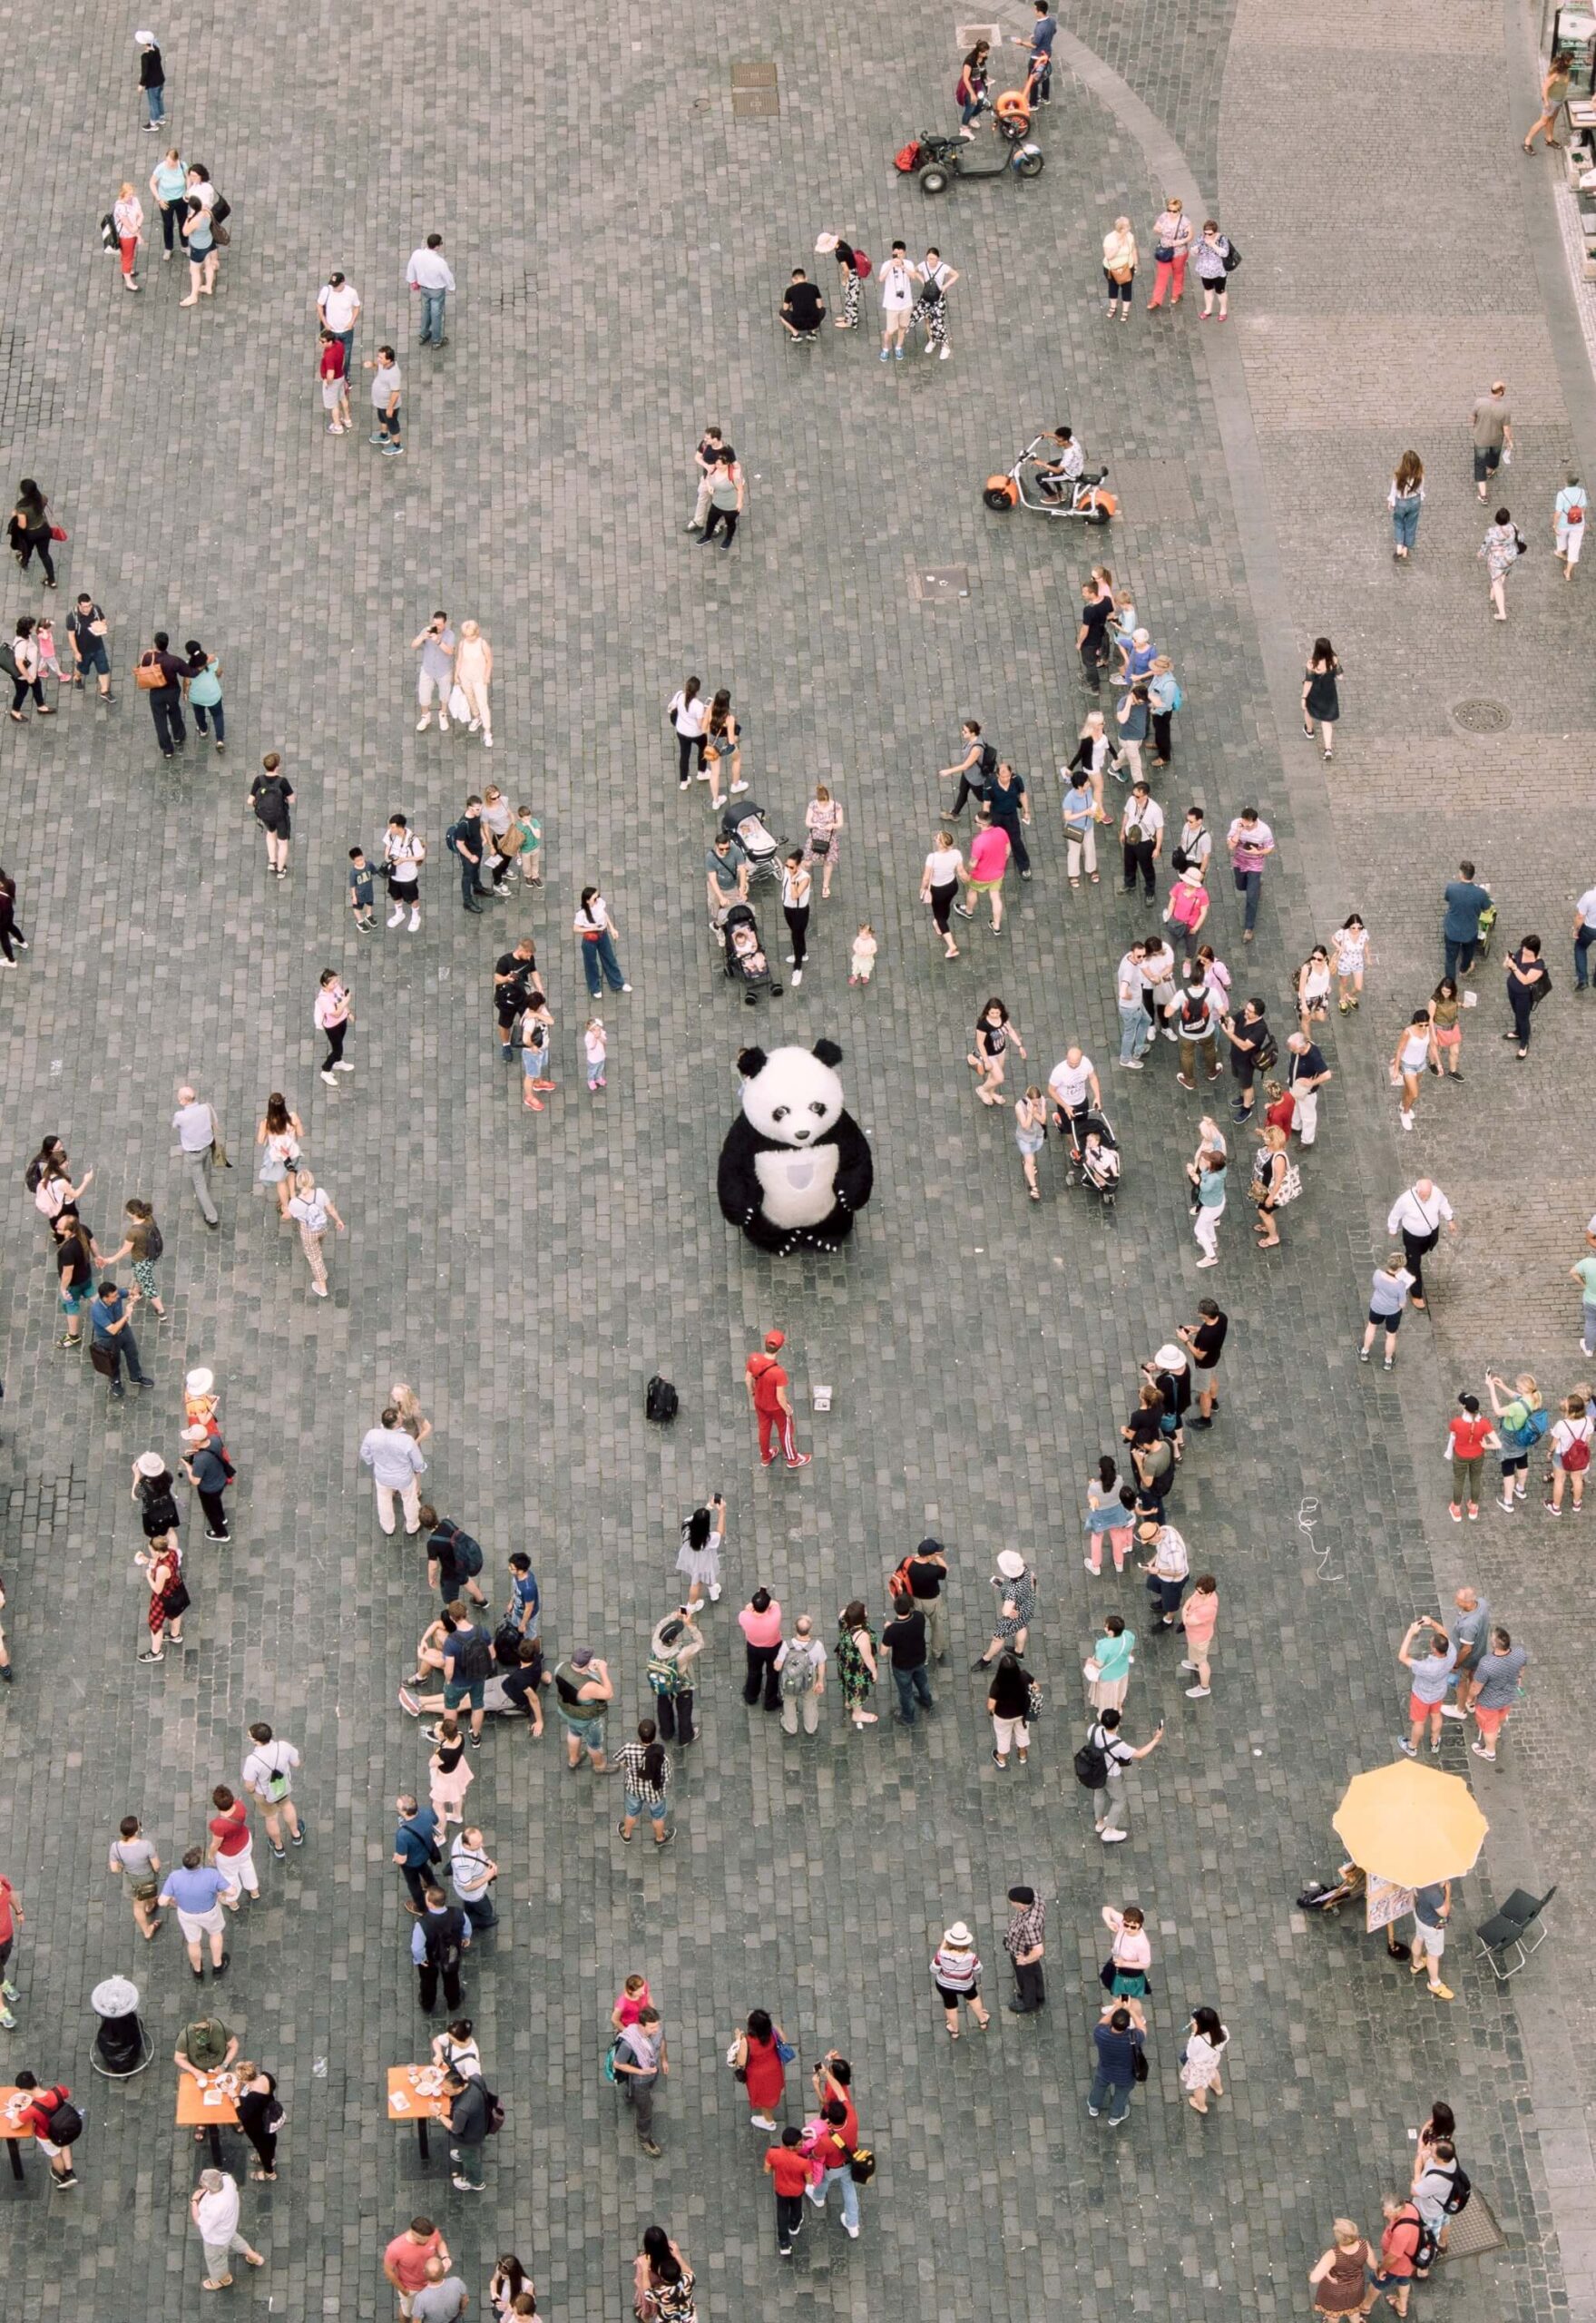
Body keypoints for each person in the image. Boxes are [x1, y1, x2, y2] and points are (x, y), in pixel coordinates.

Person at [1087, 1706, 1162, 1841]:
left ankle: (1099, 1823)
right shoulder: (1118, 1745)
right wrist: (1156, 1739)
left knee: (1099, 1794)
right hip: (1111, 1775)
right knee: (1119, 1800)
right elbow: (1140, 1754)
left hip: (1096, 1769)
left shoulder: (1093, 1730)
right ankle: (1109, 1830)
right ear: (1117, 1724)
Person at [160, 1847, 231, 1978]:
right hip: (210, 1912)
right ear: (199, 1863)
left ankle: (198, 1970)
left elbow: (161, 1901)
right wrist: (221, 1894)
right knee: (215, 1934)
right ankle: (217, 1966)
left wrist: (172, 1901)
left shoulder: (174, 1877)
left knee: (193, 1942)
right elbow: (232, 1891)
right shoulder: (211, 1874)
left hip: (187, 1915)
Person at [745, 1329, 810, 1468]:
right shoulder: (778, 1372)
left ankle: (765, 1457)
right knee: (784, 1430)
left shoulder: (754, 1358)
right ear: (780, 1348)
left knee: (764, 1428)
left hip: (760, 1403)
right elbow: (780, 1397)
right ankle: (792, 1459)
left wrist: (753, 1393)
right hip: (776, 1407)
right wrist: (787, 1410)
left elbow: (747, 1379)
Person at [360, 1406, 427, 1535]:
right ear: (397, 1424)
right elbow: (418, 1462)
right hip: (404, 1479)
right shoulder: (407, 1440)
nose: (402, 1417)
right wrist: (418, 1470)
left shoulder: (372, 1435)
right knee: (409, 1500)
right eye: (400, 1416)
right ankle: (412, 1526)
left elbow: (365, 1453)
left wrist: (374, 1462)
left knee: (383, 1499)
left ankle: (388, 1527)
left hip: (382, 1477)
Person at [191, 2170, 263, 2289]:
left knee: (215, 2260)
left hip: (216, 2239)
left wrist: (194, 2201)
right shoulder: (227, 2180)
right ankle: (254, 2257)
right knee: (233, 2239)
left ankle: (222, 2279)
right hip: (228, 2227)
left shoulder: (216, 2207)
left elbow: (199, 2222)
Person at [242, 1722, 304, 1860]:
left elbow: (250, 1785)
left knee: (271, 1818)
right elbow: (296, 1763)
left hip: (265, 1794)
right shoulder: (283, 1746)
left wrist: (252, 1793)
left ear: (256, 1741)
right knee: (287, 1806)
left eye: (249, 1736)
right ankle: (296, 1834)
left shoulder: (252, 1760)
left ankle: (279, 1847)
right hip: (282, 1787)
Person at [1398, 1616, 1456, 1758]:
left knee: (1419, 1722)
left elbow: (1402, 1657)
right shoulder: (1452, 1652)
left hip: (1422, 1696)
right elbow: (1444, 1633)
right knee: (1436, 1716)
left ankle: (1412, 1747)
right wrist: (1432, 1623)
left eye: (1431, 1643)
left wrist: (1410, 1633)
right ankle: (1435, 1742)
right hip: (1439, 1693)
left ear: (1435, 1649)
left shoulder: (1427, 1667)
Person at [1469, 1625, 1528, 1760]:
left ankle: (1490, 1752)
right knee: (1500, 1717)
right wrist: (1519, 1680)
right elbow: (1521, 1670)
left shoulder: (1487, 1664)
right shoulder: (1520, 1653)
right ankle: (1497, 1730)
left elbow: (1476, 1688)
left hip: (1489, 1702)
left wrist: (1469, 1699)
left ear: (1494, 1644)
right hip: (1508, 1696)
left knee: (1488, 1727)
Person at [614, 2004, 667, 2156]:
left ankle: (630, 2096)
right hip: (640, 2079)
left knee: (639, 2092)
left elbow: (661, 2042)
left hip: (652, 2071)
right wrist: (641, 2071)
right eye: (652, 2027)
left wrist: (663, 2060)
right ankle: (645, 2138)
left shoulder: (657, 2029)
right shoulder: (629, 2043)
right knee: (645, 2111)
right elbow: (618, 2064)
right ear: (641, 2026)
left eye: (657, 2025)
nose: (656, 2030)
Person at [552, 1647, 612, 1770]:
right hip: (585, 1719)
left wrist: (588, 1671)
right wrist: (602, 1671)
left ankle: (573, 1760)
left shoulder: (560, 1667)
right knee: (594, 1745)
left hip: (566, 1710)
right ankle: (599, 1766)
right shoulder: (588, 1686)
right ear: (587, 1664)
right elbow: (608, 1694)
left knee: (574, 1732)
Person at [730, 2006, 788, 2132]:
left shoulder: (747, 2041)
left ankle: (769, 2121)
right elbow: (784, 2039)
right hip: (774, 2069)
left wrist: (738, 2040)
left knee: (763, 2099)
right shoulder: (771, 2032)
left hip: (758, 2076)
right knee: (771, 2092)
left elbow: (740, 2062)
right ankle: (769, 2111)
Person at [616, 1720, 672, 1846]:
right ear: (654, 1736)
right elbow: (667, 1777)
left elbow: (621, 1761)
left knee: (631, 1812)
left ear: (639, 1735)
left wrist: (629, 1766)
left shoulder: (629, 1748)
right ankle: (660, 1838)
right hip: (655, 1793)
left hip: (634, 1789)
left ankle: (626, 1834)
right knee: (658, 1816)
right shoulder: (662, 1757)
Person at [930, 1921, 990, 2036]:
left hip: (944, 1985)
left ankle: (954, 2030)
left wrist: (941, 1949)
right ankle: (983, 2020)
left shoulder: (941, 1955)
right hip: (966, 1985)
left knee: (950, 2006)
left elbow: (934, 1969)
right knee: (974, 1999)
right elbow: (979, 1969)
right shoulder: (971, 1957)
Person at [109, 1814, 163, 1941]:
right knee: (143, 1899)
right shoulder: (146, 1845)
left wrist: (124, 1867)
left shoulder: (115, 1847)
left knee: (138, 1903)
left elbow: (114, 1869)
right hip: (146, 1878)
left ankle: (149, 1905)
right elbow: (156, 1866)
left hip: (130, 1880)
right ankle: (147, 1930)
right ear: (136, 1830)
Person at [1088, 2006, 1143, 2125]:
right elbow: (1142, 2028)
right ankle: (1115, 2116)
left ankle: (1094, 2106)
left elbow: (1102, 2022)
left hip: (1104, 2070)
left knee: (1099, 2087)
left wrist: (1116, 2007)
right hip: (1125, 2075)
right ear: (1128, 2025)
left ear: (1112, 2021)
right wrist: (1131, 2011)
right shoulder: (1133, 2039)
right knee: (1121, 2095)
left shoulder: (1100, 2034)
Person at [384, 2220, 449, 2320]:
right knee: (407, 2313)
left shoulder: (432, 2233)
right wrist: (403, 2290)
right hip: (411, 2288)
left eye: (429, 2239)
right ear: (414, 2234)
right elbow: (388, 2271)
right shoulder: (395, 2248)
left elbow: (440, 2243)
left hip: (433, 2282)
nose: (427, 2242)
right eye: (423, 2240)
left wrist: (445, 2257)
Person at [1226, 808, 1274, 942]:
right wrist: (1238, 832)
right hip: (1239, 862)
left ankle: (1249, 928)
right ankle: (1256, 885)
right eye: (1243, 822)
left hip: (1255, 865)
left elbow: (1270, 848)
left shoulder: (1264, 831)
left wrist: (1257, 852)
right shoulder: (1237, 824)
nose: (1245, 825)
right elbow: (1230, 846)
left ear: (1254, 821)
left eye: (1248, 824)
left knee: (1251, 897)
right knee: (1240, 886)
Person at [1308, 2220, 1373, 2317]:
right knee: (1354, 2309)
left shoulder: (1333, 2255)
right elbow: (1373, 2265)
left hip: (1335, 2289)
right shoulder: (1364, 2245)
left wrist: (1322, 2270)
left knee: (1334, 2313)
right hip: (1356, 2286)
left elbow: (1314, 2278)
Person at [775, 1614, 827, 1735]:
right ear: (810, 1629)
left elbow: (778, 1666)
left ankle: (791, 1727)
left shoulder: (786, 1645)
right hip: (809, 1678)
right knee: (810, 1701)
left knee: (789, 1701)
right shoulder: (817, 1645)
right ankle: (810, 1727)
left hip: (790, 1679)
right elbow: (821, 1664)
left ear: (795, 1628)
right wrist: (819, 1681)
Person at [766, 2125, 811, 2258]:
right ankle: (794, 2225)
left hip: (781, 2188)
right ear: (791, 2147)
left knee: (781, 2212)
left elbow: (767, 2170)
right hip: (797, 2190)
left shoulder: (772, 2153)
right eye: (799, 2144)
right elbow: (809, 2181)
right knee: (797, 2207)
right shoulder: (804, 2162)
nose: (802, 2145)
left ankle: (784, 2243)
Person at [738, 1587, 784, 1710]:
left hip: (753, 1647)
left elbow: (746, 1611)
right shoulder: (775, 1616)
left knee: (753, 1671)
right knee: (773, 1674)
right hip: (773, 1648)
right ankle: (770, 1702)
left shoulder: (744, 1617)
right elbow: (775, 1604)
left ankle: (751, 1696)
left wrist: (750, 1607)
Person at [443, 2068, 488, 2192]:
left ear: (459, 2089)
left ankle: (476, 2182)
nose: (443, 2091)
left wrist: (438, 2114)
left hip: (470, 2137)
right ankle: (462, 2154)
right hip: (481, 2121)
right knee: (466, 2153)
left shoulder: (461, 2109)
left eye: (447, 2090)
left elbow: (455, 2128)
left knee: (470, 2160)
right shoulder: (475, 2079)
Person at [1503, 932, 1549, 1055]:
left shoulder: (1538, 965)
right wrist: (1508, 961)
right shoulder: (1521, 952)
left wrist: (1514, 967)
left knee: (1523, 1018)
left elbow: (1525, 980)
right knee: (1516, 1013)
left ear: (1534, 950)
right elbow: (1510, 965)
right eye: (1523, 947)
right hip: (1512, 989)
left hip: (1523, 995)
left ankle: (1524, 1042)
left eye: (1527, 949)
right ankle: (1518, 1032)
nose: (1523, 950)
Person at [1408, 1880, 1454, 2002]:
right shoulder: (1433, 1893)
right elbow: (1444, 1912)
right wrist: (1448, 1891)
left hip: (1420, 1915)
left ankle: (1416, 1964)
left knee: (1419, 1938)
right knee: (1433, 1955)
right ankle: (1434, 1984)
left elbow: (1416, 1894)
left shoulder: (1419, 1877)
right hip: (1432, 1926)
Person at [406, 232, 455, 347]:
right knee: (436, 314)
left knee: (426, 310)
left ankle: (424, 334)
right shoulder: (440, 262)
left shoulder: (417, 254)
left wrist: (413, 280)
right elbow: (447, 276)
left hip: (424, 288)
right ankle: (437, 340)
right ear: (437, 246)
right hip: (437, 291)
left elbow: (411, 267)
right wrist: (451, 287)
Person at [836, 1600, 879, 1728]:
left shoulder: (843, 1616)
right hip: (856, 1668)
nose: (866, 1612)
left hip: (845, 1661)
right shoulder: (862, 1637)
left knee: (848, 1683)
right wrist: (874, 1671)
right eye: (864, 1611)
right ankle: (857, 1714)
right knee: (857, 1689)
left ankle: (849, 1701)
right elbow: (867, 1658)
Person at [1146, 193, 1193, 309]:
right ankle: (1156, 300)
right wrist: (1160, 230)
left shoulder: (1185, 222)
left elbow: (1190, 236)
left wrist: (1180, 242)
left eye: (1174, 211)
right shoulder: (1164, 216)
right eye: (1169, 210)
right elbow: (1155, 228)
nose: (1171, 213)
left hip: (1179, 252)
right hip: (1165, 250)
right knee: (1162, 275)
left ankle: (1176, 293)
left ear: (1179, 210)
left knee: (1178, 273)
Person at [235, 2062, 280, 2181]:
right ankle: (269, 2158)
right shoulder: (266, 2076)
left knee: (262, 2147)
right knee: (269, 2143)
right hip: (268, 2118)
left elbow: (242, 2114)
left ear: (244, 2079)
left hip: (258, 2126)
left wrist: (235, 2097)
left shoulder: (252, 2097)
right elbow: (273, 2087)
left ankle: (269, 2173)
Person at [1180, 2006, 1228, 2112]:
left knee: (1199, 2086)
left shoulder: (1198, 2040)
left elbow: (1190, 2053)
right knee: (1213, 2072)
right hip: (1212, 2060)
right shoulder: (1223, 2032)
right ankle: (1218, 2089)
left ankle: (1201, 2106)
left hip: (1199, 2066)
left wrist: (1193, 2033)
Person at [1471, 381, 1513, 500]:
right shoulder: (1505, 409)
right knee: (1494, 456)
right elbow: (1506, 428)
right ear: (1501, 392)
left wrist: (1477, 427)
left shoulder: (1479, 402)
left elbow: (1472, 418)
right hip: (1496, 440)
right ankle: (1490, 471)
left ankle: (1483, 495)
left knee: (1479, 464)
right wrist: (1509, 441)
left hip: (1481, 439)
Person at [1526, 48, 1574, 147]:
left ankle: (1549, 139)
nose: (1573, 62)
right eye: (1572, 60)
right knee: (1543, 122)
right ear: (1566, 61)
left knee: (1552, 120)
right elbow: (1545, 88)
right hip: (1551, 101)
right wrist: (1547, 102)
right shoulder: (1556, 74)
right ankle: (1527, 141)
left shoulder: (1565, 71)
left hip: (1559, 100)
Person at [1481, 505, 1521, 618]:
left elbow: (1486, 544)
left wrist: (1481, 553)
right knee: (1502, 575)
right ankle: (1493, 592)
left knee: (1498, 584)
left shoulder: (1492, 531)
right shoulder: (1513, 527)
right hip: (1510, 558)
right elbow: (1521, 538)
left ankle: (1502, 613)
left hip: (1497, 561)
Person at [366, 346, 404, 456]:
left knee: (392, 424)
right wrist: (372, 365)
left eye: (381, 358)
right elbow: (378, 368)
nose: (378, 359)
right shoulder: (384, 365)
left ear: (389, 359)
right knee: (382, 419)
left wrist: (390, 408)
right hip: (380, 402)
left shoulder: (394, 374)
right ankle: (383, 436)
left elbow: (395, 392)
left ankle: (397, 446)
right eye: (378, 356)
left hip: (388, 404)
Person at [1388, 449, 1425, 561]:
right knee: (1411, 524)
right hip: (1415, 501)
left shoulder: (1398, 475)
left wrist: (1391, 501)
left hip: (1401, 502)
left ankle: (1399, 546)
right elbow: (1421, 489)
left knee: (1399, 522)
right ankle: (1406, 548)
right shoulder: (1420, 475)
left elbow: (1394, 491)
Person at [1193, 220, 1233, 318]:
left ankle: (1223, 311)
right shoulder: (1201, 238)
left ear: (1215, 232)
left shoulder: (1222, 239)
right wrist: (1195, 250)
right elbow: (1194, 251)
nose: (1207, 236)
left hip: (1218, 271)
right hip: (1205, 271)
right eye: (1205, 233)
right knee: (1207, 290)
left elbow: (1225, 253)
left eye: (1210, 234)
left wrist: (1213, 245)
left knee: (1220, 291)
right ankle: (1208, 309)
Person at [1102, 214, 1137, 317]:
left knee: (1127, 288)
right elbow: (1108, 256)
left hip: (1127, 267)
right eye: (1127, 227)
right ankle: (1113, 307)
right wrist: (1117, 248)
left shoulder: (1130, 236)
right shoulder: (1109, 239)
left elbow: (1133, 250)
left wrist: (1136, 263)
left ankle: (1125, 311)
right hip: (1111, 269)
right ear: (1121, 229)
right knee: (1113, 287)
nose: (1129, 228)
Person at [1554, 469, 1588, 578]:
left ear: (1566, 481)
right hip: (1578, 523)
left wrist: (1554, 525)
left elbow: (1558, 513)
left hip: (1564, 523)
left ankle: (1561, 553)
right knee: (1575, 546)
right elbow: (1583, 508)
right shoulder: (1582, 492)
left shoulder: (1561, 494)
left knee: (1561, 537)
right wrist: (1581, 519)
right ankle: (1568, 572)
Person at [778, 267, 826, 341]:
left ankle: (795, 334)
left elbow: (785, 308)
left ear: (793, 279)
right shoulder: (814, 288)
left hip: (797, 323)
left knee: (781, 312)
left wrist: (791, 304)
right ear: (806, 278)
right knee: (823, 310)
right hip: (814, 322)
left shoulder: (789, 291)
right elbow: (820, 306)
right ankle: (812, 331)